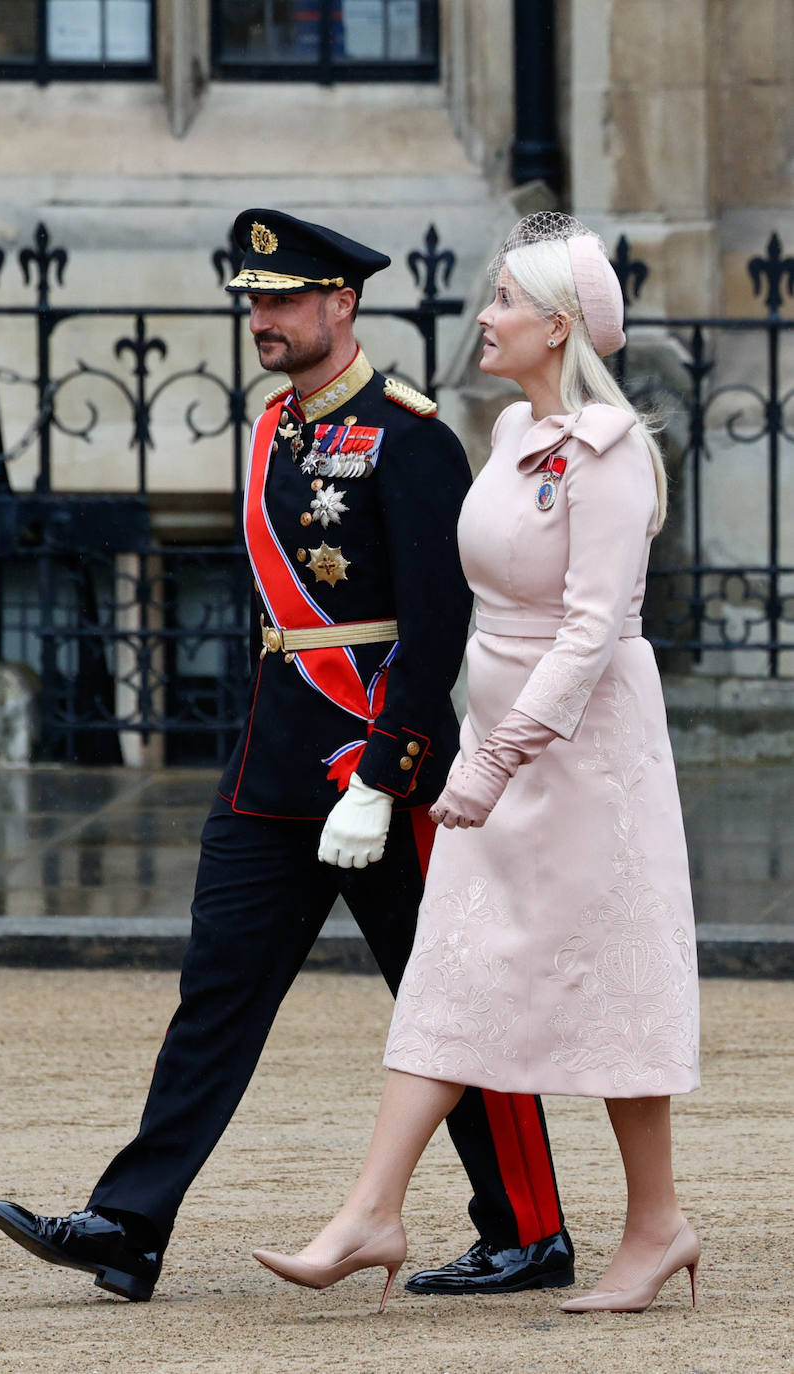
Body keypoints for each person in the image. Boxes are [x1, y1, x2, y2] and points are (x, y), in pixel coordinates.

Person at [0, 209, 574, 1303]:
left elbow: (434, 627)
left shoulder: (411, 437)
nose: (261, 318)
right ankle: (128, 1224)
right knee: (215, 994)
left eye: (281, 300)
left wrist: (383, 772)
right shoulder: (274, 429)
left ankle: (529, 1231)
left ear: (339, 305)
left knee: (448, 1000)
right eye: (253, 299)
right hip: (271, 768)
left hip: (380, 772)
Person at [252, 211, 702, 1317]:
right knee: (452, 968)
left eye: (503, 301)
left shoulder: (608, 455)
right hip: (497, 745)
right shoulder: (510, 437)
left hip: (580, 754)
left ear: (556, 328)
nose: (484, 317)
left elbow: (591, 635)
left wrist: (491, 760)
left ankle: (655, 1228)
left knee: (611, 982)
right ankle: (373, 1209)